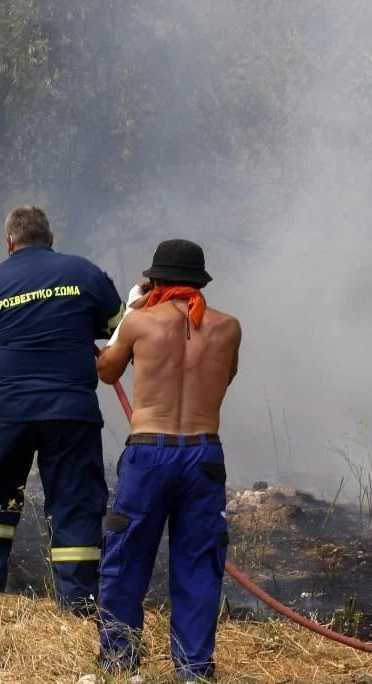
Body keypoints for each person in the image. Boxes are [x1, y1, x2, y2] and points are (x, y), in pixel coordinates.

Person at [0, 205, 126, 622]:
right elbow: (119, 328)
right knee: (74, 503)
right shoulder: (85, 273)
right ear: (50, 239)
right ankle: (79, 607)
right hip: (71, 412)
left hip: (9, 413)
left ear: (9, 242)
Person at [94, 238, 242, 681]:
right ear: (200, 281)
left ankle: (119, 661)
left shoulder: (140, 322)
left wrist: (130, 310)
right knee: (199, 564)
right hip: (203, 455)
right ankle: (195, 670)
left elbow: (106, 370)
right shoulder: (229, 327)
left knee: (124, 559)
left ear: (156, 280)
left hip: (149, 452)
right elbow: (225, 377)